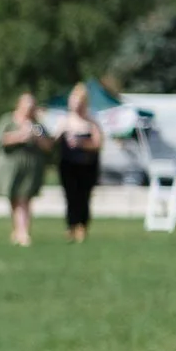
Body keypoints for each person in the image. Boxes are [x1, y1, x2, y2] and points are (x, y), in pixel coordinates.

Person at [0, 93, 52, 247]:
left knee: (25, 198)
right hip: (10, 167)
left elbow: (48, 145)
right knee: (14, 198)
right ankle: (18, 230)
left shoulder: (37, 125)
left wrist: (36, 137)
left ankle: (23, 232)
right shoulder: (7, 120)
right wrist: (20, 136)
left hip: (31, 167)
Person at [55, 85, 105, 242]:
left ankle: (82, 225)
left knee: (84, 196)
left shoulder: (91, 122)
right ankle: (71, 225)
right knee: (70, 196)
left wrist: (81, 143)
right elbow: (53, 142)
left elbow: (98, 144)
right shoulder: (64, 122)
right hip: (68, 165)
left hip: (87, 164)